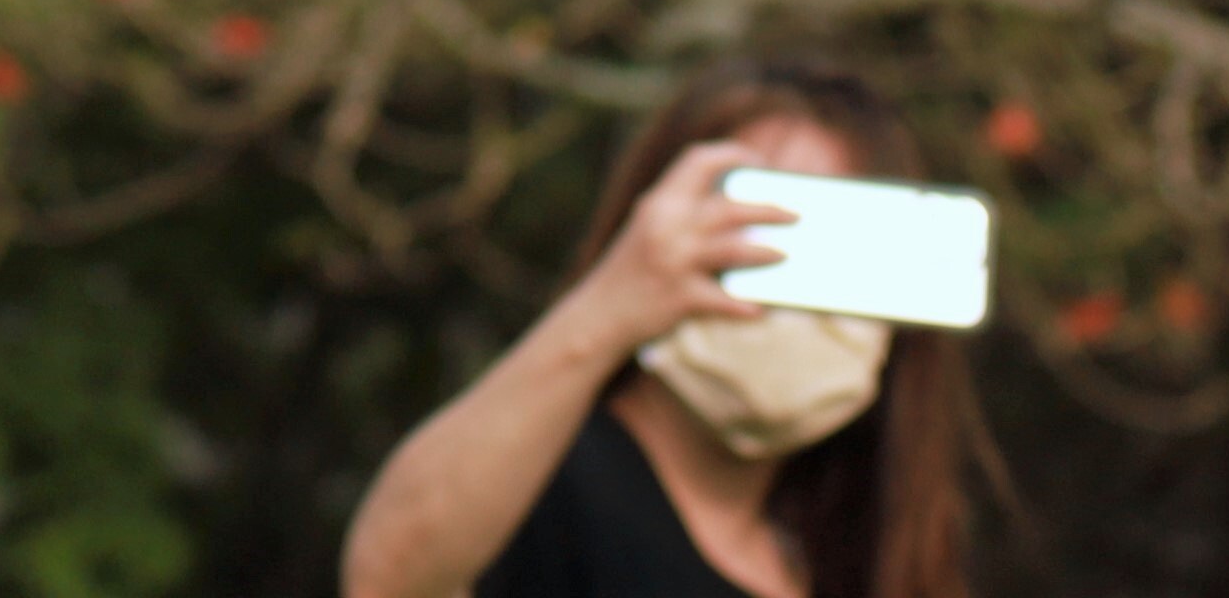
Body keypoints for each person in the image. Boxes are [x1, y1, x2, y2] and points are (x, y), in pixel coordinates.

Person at [337, 65, 1000, 598]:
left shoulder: (854, 555)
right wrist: (601, 314)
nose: (791, 291)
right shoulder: (540, 481)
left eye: (840, 248)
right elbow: (390, 577)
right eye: (752, 228)